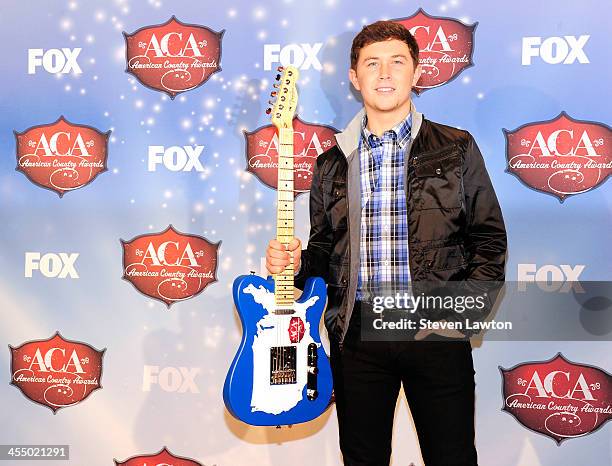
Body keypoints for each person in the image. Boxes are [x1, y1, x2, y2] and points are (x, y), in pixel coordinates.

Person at [266, 20, 507, 466]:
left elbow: (489, 239)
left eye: (398, 62)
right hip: (357, 337)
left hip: (434, 333)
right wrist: (295, 263)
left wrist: (456, 317)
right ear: (354, 78)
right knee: (362, 458)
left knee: (452, 457)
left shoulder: (455, 147)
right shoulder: (331, 162)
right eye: (371, 63)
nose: (385, 73)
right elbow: (323, 248)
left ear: (416, 73)